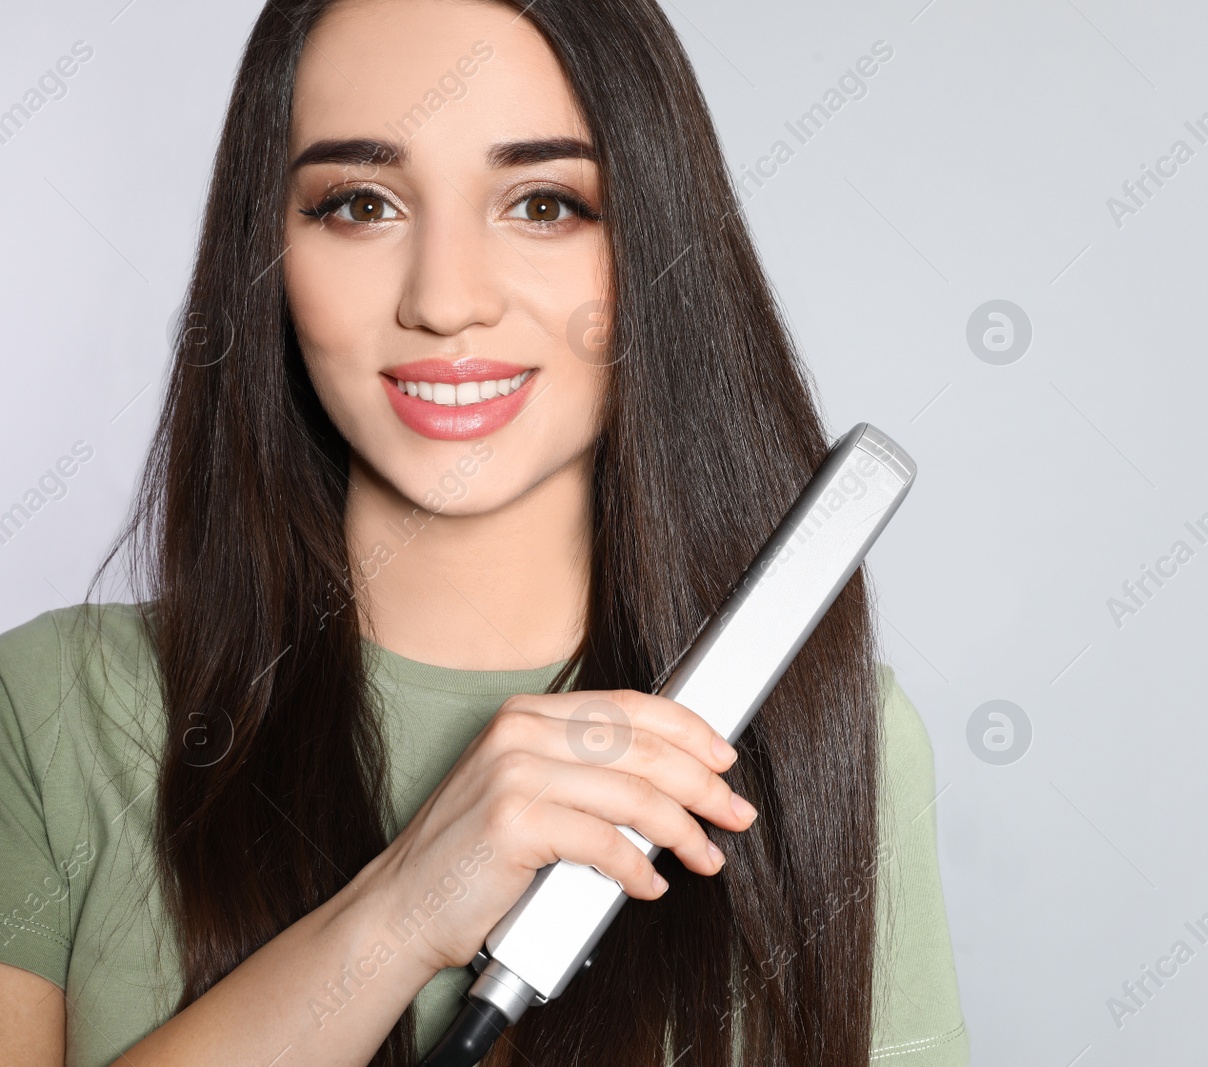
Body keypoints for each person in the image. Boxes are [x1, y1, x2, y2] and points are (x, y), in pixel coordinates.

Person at [0, 1, 968, 1065]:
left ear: (652, 245)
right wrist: (398, 913)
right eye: (361, 203)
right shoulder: (49, 711)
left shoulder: (826, 741)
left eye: (544, 202)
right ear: (266, 254)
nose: (446, 300)